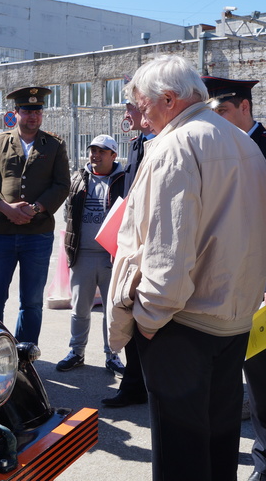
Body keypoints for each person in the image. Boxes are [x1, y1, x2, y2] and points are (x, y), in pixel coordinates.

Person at [106, 55, 266, 480]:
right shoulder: (241, 140)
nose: (139, 117)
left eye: (141, 105)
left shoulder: (177, 146)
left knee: (181, 456)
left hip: (183, 324)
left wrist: (149, 317)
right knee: (217, 447)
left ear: (168, 98)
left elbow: (168, 250)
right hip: (231, 319)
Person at [205, 75, 266, 481]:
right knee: (220, 377)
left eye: (223, 111)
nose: (218, 120)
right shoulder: (211, 148)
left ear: (245, 106)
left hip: (262, 282)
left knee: (264, 381)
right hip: (219, 279)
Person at [0, 86, 71, 345]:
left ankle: (25, 354)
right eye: (28, 111)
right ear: (16, 112)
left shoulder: (54, 145)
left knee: (31, 301)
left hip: (37, 233)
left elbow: (62, 184)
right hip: (2, 233)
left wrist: (36, 208)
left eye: (38, 111)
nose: (34, 116)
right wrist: (5, 208)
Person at [57, 134, 127, 375]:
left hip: (112, 257)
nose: (95, 155)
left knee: (112, 310)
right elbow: (68, 213)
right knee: (79, 309)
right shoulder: (78, 178)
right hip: (82, 255)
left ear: (113, 155)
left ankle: (113, 355)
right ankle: (76, 352)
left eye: (102, 151)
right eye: (92, 150)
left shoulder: (124, 180)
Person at [101, 96, 154, 409]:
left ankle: (152, 384)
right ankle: (134, 386)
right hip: (129, 244)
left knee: (153, 318)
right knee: (130, 314)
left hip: (153, 247)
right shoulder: (137, 144)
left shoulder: (167, 143)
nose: (125, 113)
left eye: (130, 107)